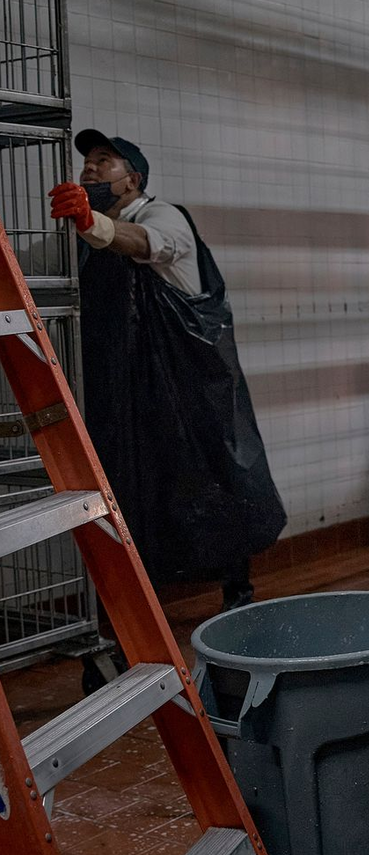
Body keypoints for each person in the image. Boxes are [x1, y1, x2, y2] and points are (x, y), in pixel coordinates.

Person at [49, 130, 285, 610]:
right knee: (139, 484)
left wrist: (92, 222)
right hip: (128, 388)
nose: (90, 168)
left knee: (218, 473)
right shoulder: (85, 236)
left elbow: (147, 244)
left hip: (194, 384)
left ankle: (237, 590)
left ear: (133, 179)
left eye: (104, 161)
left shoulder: (162, 216)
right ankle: (143, 600)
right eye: (86, 163)